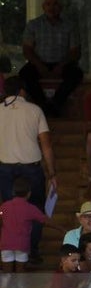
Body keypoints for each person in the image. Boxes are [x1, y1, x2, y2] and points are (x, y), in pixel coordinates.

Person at [0, 77, 56, 263]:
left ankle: (9, 252)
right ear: (22, 91)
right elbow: (46, 146)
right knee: (35, 211)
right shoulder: (35, 110)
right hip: (31, 169)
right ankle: (31, 251)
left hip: (5, 169)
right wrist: (52, 173)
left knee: (9, 212)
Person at [19, 0, 84, 116]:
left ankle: (56, 103)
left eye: (55, 4)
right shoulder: (33, 25)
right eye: (48, 4)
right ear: (43, 7)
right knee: (25, 74)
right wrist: (39, 65)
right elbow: (27, 50)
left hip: (63, 63)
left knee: (76, 74)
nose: (51, 7)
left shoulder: (70, 26)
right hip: (38, 63)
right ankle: (42, 104)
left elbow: (75, 51)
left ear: (61, 7)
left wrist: (61, 66)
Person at [0, 176, 48, 276]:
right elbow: (45, 221)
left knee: (6, 276)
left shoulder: (4, 206)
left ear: (13, 192)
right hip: (22, 244)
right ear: (29, 193)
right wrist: (62, 229)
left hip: (6, 244)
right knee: (20, 277)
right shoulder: (30, 208)